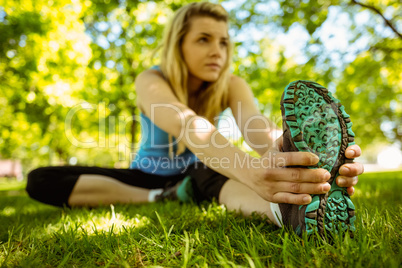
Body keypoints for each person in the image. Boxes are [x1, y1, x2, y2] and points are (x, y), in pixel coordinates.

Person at [26, 2, 363, 236]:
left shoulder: (232, 84)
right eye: (204, 40)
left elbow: (255, 124)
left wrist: (289, 153)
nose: (217, 51)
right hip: (147, 176)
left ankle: (285, 212)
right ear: (179, 45)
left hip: (204, 171)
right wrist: (248, 169)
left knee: (207, 171)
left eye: (224, 42)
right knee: (40, 179)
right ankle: (164, 197)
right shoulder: (151, 79)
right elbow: (187, 124)